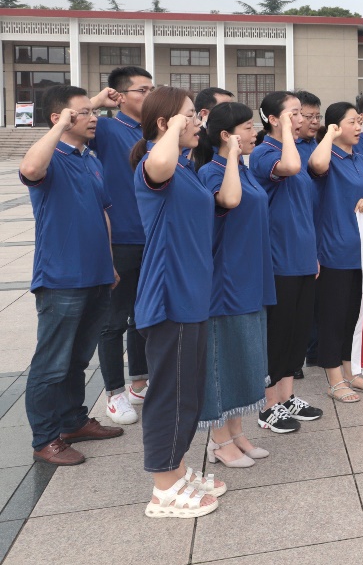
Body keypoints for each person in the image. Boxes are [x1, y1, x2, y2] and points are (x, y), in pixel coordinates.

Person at [130, 87, 223, 519]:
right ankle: (163, 489)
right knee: (171, 392)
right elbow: (158, 165)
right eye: (190, 115)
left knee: (189, 389)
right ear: (165, 123)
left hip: (193, 292)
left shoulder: (184, 167)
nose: (199, 122)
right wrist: (170, 130)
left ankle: (178, 469)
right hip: (170, 295)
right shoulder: (155, 163)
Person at [21, 85, 124, 466]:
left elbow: (103, 213)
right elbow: (30, 169)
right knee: (51, 363)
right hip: (61, 278)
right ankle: (45, 438)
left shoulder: (90, 159)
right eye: (84, 112)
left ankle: (73, 421)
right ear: (59, 119)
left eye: (93, 111)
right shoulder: (51, 158)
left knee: (78, 358)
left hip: (96, 274)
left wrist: (109, 263)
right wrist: (61, 124)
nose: (94, 117)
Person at [193, 102, 272, 468]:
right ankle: (219, 440)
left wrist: (238, 160)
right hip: (226, 280)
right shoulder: (211, 171)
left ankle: (238, 433)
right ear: (226, 135)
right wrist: (232, 158)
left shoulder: (243, 169)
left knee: (245, 357)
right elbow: (229, 200)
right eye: (247, 127)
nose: (254, 132)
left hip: (251, 275)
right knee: (223, 359)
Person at [249, 91, 323, 434]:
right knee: (278, 335)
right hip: (279, 259)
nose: (301, 119)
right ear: (273, 119)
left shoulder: (295, 152)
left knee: (297, 331)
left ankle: (287, 396)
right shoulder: (265, 153)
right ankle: (268, 406)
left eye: (301, 113)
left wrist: (313, 255)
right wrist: (285, 134)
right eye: (294, 113)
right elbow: (290, 167)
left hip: (303, 256)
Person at [89, 66, 153, 425]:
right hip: (121, 239)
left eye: (152, 89)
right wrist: (97, 102)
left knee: (145, 316)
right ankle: (114, 393)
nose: (149, 95)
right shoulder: (108, 128)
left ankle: (139, 383)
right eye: (142, 90)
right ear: (121, 96)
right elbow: (69, 127)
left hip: (153, 236)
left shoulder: (155, 131)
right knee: (113, 320)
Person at [309, 102, 363, 403]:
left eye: (358, 122)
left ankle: (351, 371)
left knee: (353, 313)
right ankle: (334, 379)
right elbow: (317, 166)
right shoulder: (329, 156)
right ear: (336, 126)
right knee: (333, 316)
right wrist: (329, 134)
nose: (358, 127)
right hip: (333, 248)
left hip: (361, 248)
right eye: (352, 121)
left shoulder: (361, 157)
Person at [293, 90, 323, 170]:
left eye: (318, 117)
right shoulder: (287, 147)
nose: (315, 121)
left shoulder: (318, 144)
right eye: (309, 117)